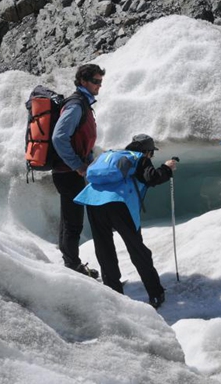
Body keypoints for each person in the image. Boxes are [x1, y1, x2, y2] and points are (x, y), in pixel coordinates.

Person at [73, 134, 177, 309]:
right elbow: (151, 178)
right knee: (137, 249)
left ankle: (114, 293)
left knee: (104, 248)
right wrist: (167, 169)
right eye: (151, 153)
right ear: (147, 151)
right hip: (119, 204)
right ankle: (156, 293)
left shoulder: (111, 156)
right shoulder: (139, 159)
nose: (151, 156)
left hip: (93, 202)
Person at [52, 63, 106, 279]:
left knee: (70, 219)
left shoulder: (82, 103)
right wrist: (77, 165)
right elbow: (59, 137)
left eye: (100, 82)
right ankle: (73, 267)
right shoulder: (76, 105)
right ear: (83, 81)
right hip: (68, 173)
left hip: (70, 171)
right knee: (73, 221)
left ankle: (71, 263)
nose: (99, 86)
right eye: (95, 81)